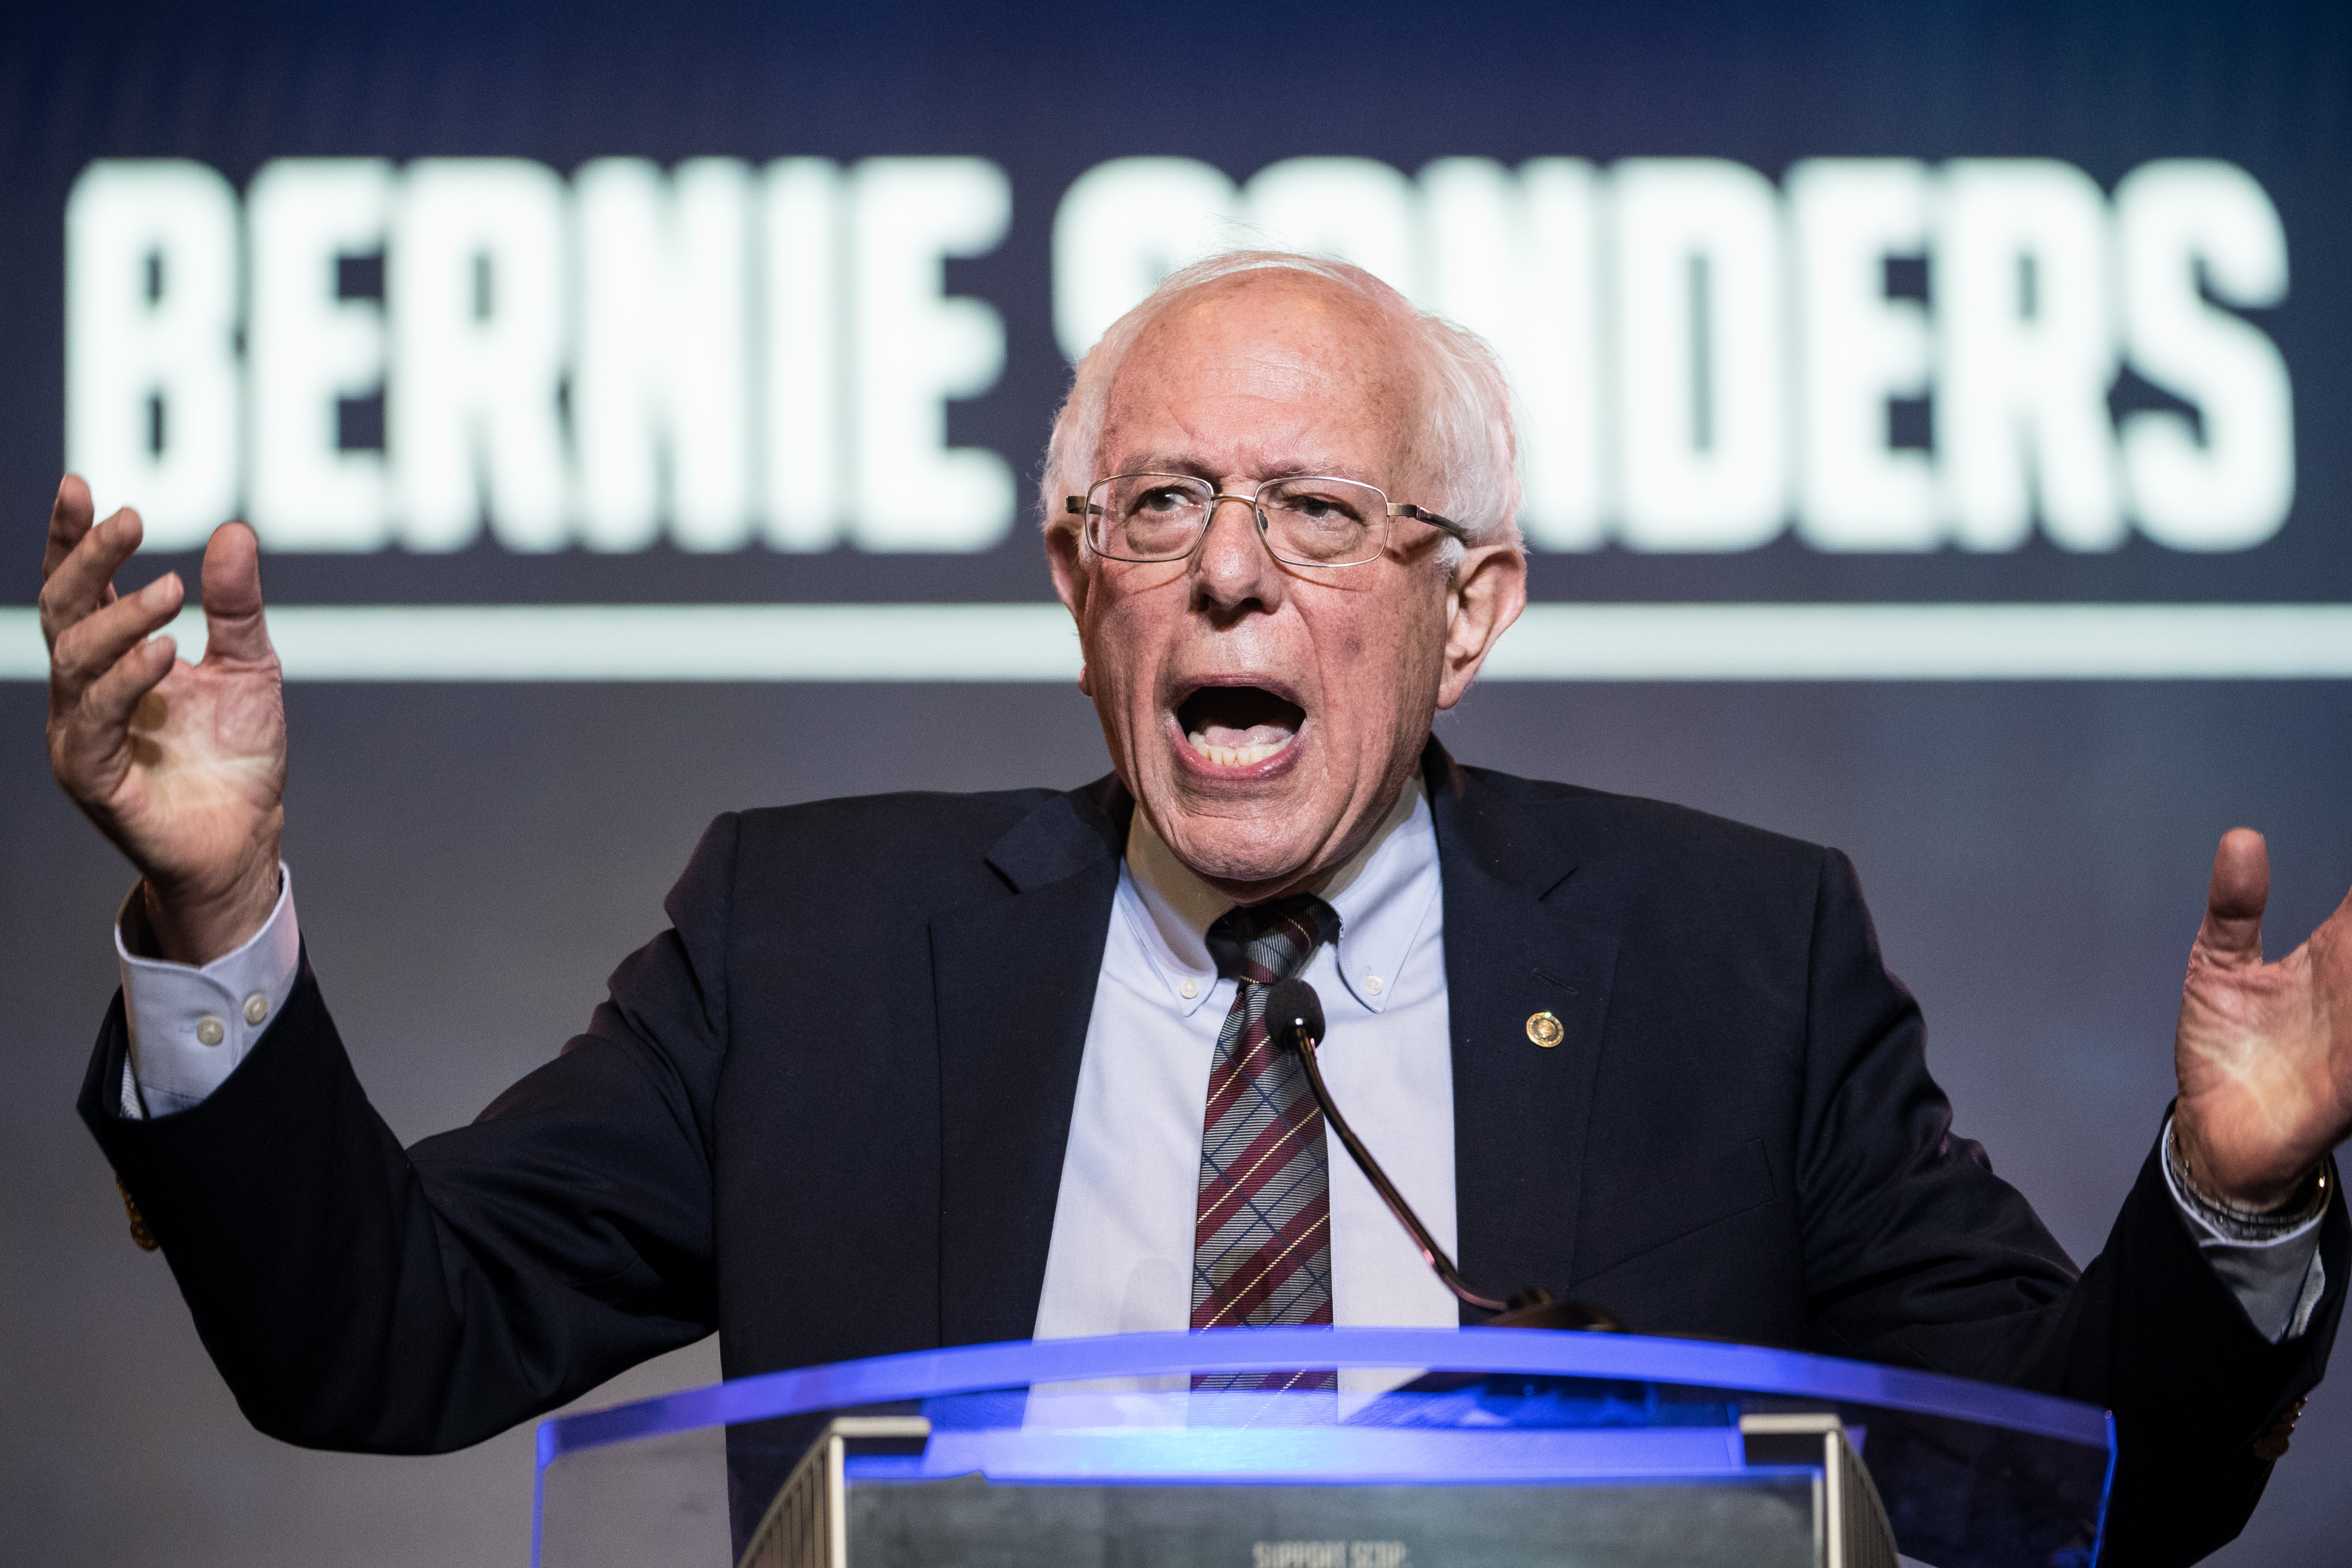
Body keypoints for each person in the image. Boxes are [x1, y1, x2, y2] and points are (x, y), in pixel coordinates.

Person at [40, 252, 2351, 1565]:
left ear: (1476, 610)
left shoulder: (1740, 965)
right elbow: (385, 1341)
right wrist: (220, 916)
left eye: (1324, 512)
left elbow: (2064, 1489)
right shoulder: (811, 948)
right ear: (1079, 589)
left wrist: (2227, 1214)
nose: (1232, 566)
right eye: (1160, 504)